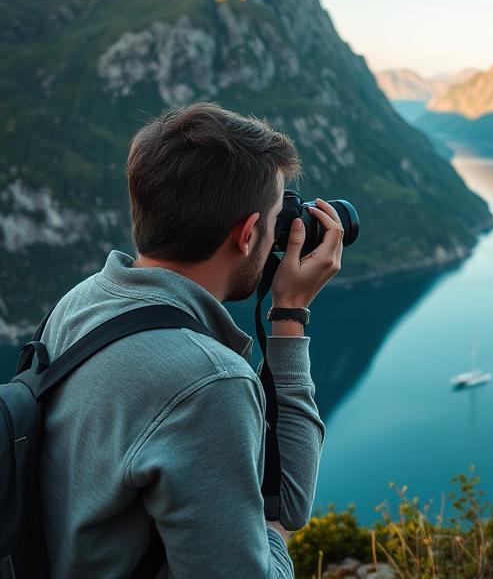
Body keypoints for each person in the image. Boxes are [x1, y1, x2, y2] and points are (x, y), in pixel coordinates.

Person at [36, 102, 338, 577]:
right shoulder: (208, 383)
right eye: (280, 217)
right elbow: (287, 511)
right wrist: (270, 537)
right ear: (249, 234)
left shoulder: (80, 303)